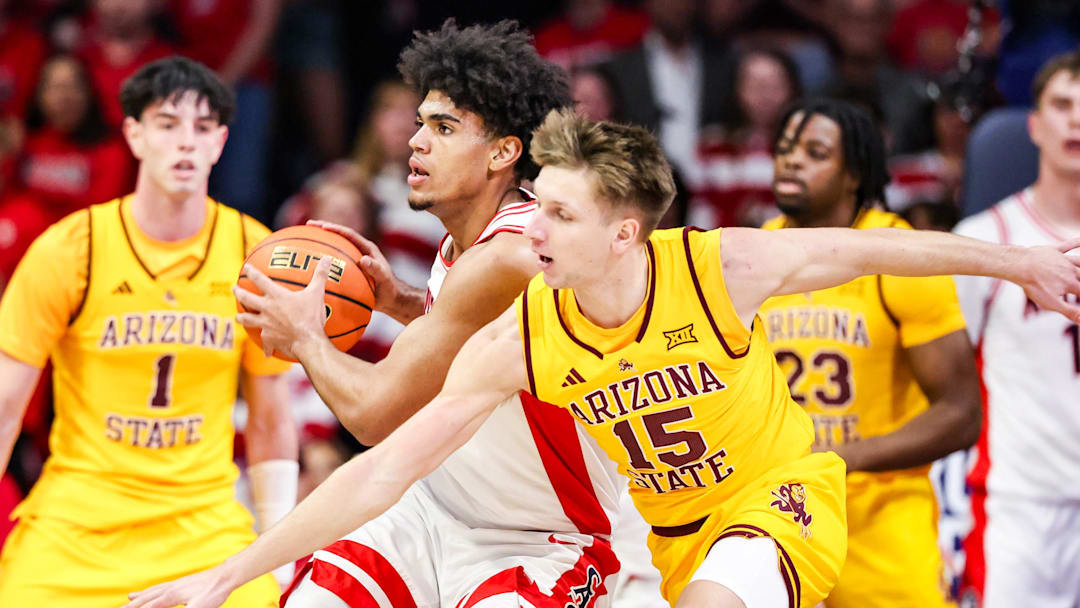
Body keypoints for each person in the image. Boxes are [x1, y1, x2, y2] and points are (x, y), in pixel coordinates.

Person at [122, 110, 1080, 608]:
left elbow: (886, 248)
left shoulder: (719, 267)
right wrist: (232, 572)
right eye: (537, 204)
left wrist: (1024, 263)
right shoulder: (524, 335)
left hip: (776, 501)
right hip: (662, 536)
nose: (535, 225)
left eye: (562, 214)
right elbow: (383, 469)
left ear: (625, 234)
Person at [242, 20, 628, 607]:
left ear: (504, 151)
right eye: (421, 123)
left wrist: (305, 336)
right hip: (430, 515)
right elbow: (468, 339)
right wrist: (401, 299)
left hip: (536, 539)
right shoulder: (463, 251)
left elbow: (373, 416)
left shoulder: (510, 256)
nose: (416, 141)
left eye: (443, 128)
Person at [0, 56, 298, 607]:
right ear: (134, 134)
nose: (186, 142)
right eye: (167, 124)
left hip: (203, 527)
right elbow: (6, 405)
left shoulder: (255, 253)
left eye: (202, 128)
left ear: (220, 143)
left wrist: (277, 548)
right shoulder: (72, 249)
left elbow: (272, 415)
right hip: (76, 526)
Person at [758, 98, 980, 606]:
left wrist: (839, 457)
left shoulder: (900, 254)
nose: (791, 160)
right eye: (785, 148)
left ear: (854, 173)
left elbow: (961, 413)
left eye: (815, 152)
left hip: (879, 518)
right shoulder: (749, 252)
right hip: (775, 516)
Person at [952, 50, 1080, 608]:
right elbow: (950, 378)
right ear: (1033, 124)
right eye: (1061, 105)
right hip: (1020, 504)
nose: (1076, 121)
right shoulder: (986, 239)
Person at [19, 53, 135, 222]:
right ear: (39, 94)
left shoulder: (111, 151)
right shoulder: (24, 144)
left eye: (74, 87)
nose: (65, 97)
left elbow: (101, 216)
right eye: (55, 87)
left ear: (89, 93)